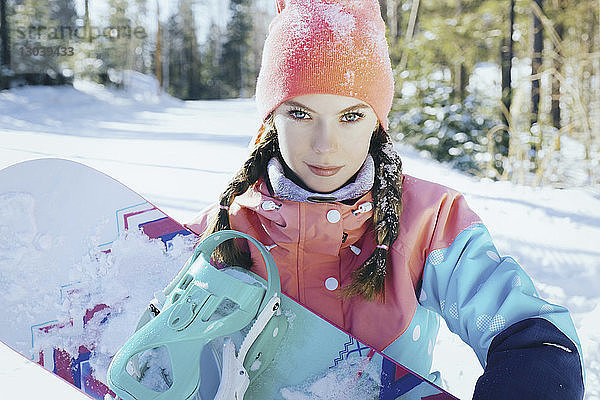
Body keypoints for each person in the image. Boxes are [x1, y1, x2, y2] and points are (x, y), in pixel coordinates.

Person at [186, 0, 585, 398]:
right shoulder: (221, 233)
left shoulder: (429, 223)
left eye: (351, 116)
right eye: (300, 114)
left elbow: (533, 334)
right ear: (271, 117)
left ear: (377, 121)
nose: (325, 145)